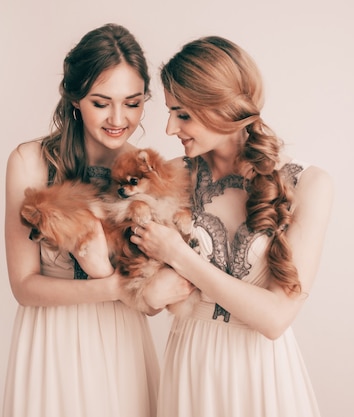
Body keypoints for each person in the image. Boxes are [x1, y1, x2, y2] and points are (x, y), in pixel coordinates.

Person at [132, 36, 334, 416]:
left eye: (183, 114)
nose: (170, 128)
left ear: (224, 109)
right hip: (191, 367)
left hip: (263, 373)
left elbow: (275, 318)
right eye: (170, 112)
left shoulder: (310, 185)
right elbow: (149, 297)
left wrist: (178, 255)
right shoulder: (172, 177)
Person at [2, 23, 160, 417]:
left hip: (122, 342)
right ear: (75, 99)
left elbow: (152, 299)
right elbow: (23, 287)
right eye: (101, 102)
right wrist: (115, 290)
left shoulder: (146, 171)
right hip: (50, 343)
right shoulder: (29, 162)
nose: (118, 118)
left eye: (133, 102)